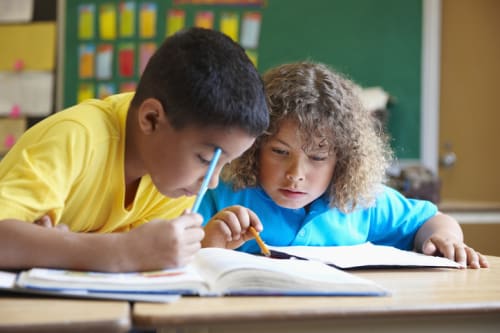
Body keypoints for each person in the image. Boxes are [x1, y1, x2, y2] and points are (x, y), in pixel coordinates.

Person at [0, 27, 269, 272]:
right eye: (205, 159)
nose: (210, 182)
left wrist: (202, 245)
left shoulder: (170, 178)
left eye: (225, 164)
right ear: (151, 119)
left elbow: (140, 264)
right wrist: (120, 252)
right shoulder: (76, 137)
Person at [200, 61, 488, 269]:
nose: (295, 175)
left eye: (317, 157)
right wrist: (207, 244)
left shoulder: (358, 202)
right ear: (253, 146)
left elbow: (432, 221)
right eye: (279, 151)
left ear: (343, 161)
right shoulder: (219, 193)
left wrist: (445, 238)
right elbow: (175, 255)